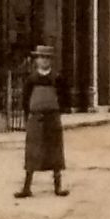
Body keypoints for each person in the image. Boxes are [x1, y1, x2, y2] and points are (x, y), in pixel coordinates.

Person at [17, 45, 68, 198]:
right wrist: (28, 116)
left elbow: (64, 97)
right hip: (35, 119)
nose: (43, 60)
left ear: (50, 61)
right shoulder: (31, 79)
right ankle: (27, 187)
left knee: (55, 152)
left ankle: (58, 186)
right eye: (41, 57)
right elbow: (25, 100)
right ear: (36, 60)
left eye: (46, 58)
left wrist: (58, 111)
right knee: (32, 152)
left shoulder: (57, 78)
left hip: (52, 119)